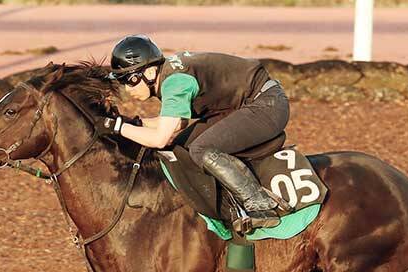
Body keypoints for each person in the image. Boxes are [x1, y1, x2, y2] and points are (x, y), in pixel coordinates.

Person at [101, 34, 290, 230]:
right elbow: (175, 125)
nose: (125, 88)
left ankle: (260, 203)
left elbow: (159, 138)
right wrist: (132, 123)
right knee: (181, 145)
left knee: (201, 148)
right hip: (245, 104)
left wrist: (117, 127)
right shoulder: (168, 76)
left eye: (128, 80)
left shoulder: (175, 83)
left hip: (267, 105)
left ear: (148, 73)